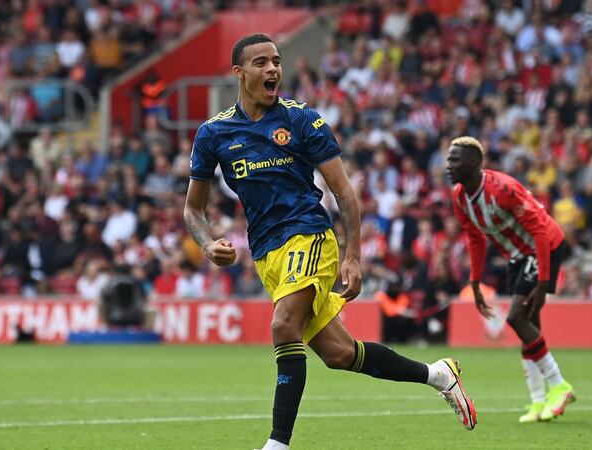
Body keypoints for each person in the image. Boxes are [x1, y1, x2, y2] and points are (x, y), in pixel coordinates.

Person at [184, 34, 477, 450]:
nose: (273, 70)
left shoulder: (303, 120)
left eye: (277, 61)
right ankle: (438, 375)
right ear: (239, 73)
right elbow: (193, 210)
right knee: (340, 354)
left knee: (284, 326)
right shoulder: (214, 133)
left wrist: (353, 256)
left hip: (310, 235)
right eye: (261, 63)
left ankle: (277, 444)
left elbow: (343, 190)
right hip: (268, 252)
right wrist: (207, 242)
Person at [446, 136, 575, 423]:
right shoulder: (458, 197)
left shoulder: (502, 189)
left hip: (546, 246)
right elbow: (475, 239)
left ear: (475, 162)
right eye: (448, 159)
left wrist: (543, 284)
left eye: (455, 159)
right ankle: (538, 401)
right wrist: (475, 283)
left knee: (517, 317)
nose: (448, 165)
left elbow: (540, 231)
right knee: (529, 326)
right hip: (518, 255)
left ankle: (559, 385)